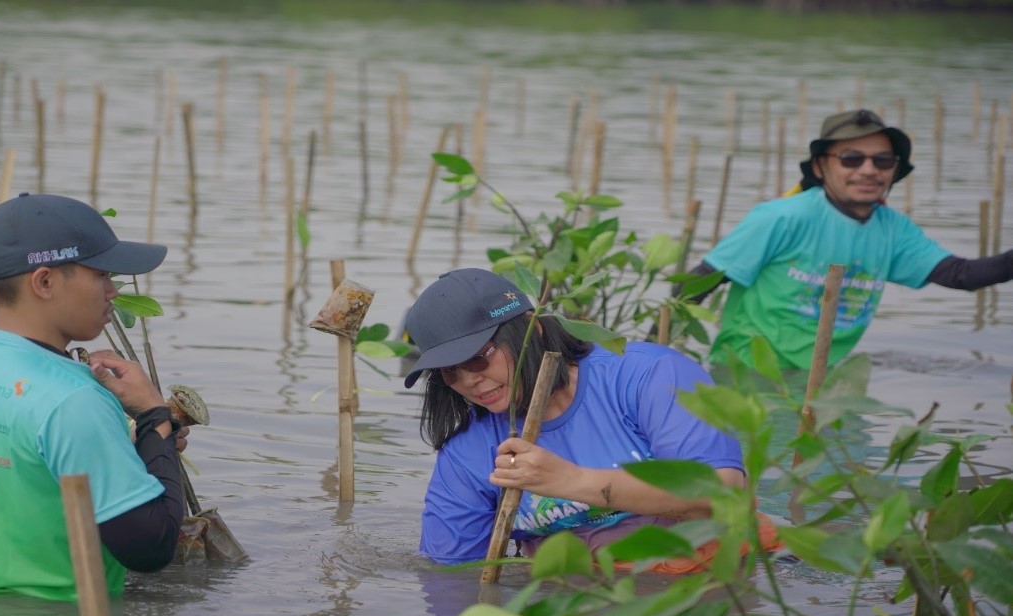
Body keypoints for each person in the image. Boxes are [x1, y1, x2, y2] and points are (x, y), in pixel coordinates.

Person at [402, 268, 780, 571]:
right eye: (449, 372)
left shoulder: (651, 376)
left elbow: (721, 494)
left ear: (532, 329)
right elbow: (451, 579)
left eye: (477, 358)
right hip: (592, 599)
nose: (469, 381)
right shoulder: (467, 453)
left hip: (724, 578)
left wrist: (570, 481)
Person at [0, 192, 188, 601]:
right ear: (44, 282)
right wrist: (156, 418)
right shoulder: (76, 400)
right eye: (101, 274)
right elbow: (151, 547)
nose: (112, 292)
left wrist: (130, 444)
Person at [686, 109, 1013, 369]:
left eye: (882, 161)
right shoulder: (783, 217)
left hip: (824, 382)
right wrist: (649, 355)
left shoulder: (893, 230)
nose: (869, 170)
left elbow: (961, 275)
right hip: (748, 375)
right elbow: (701, 280)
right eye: (851, 159)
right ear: (820, 166)